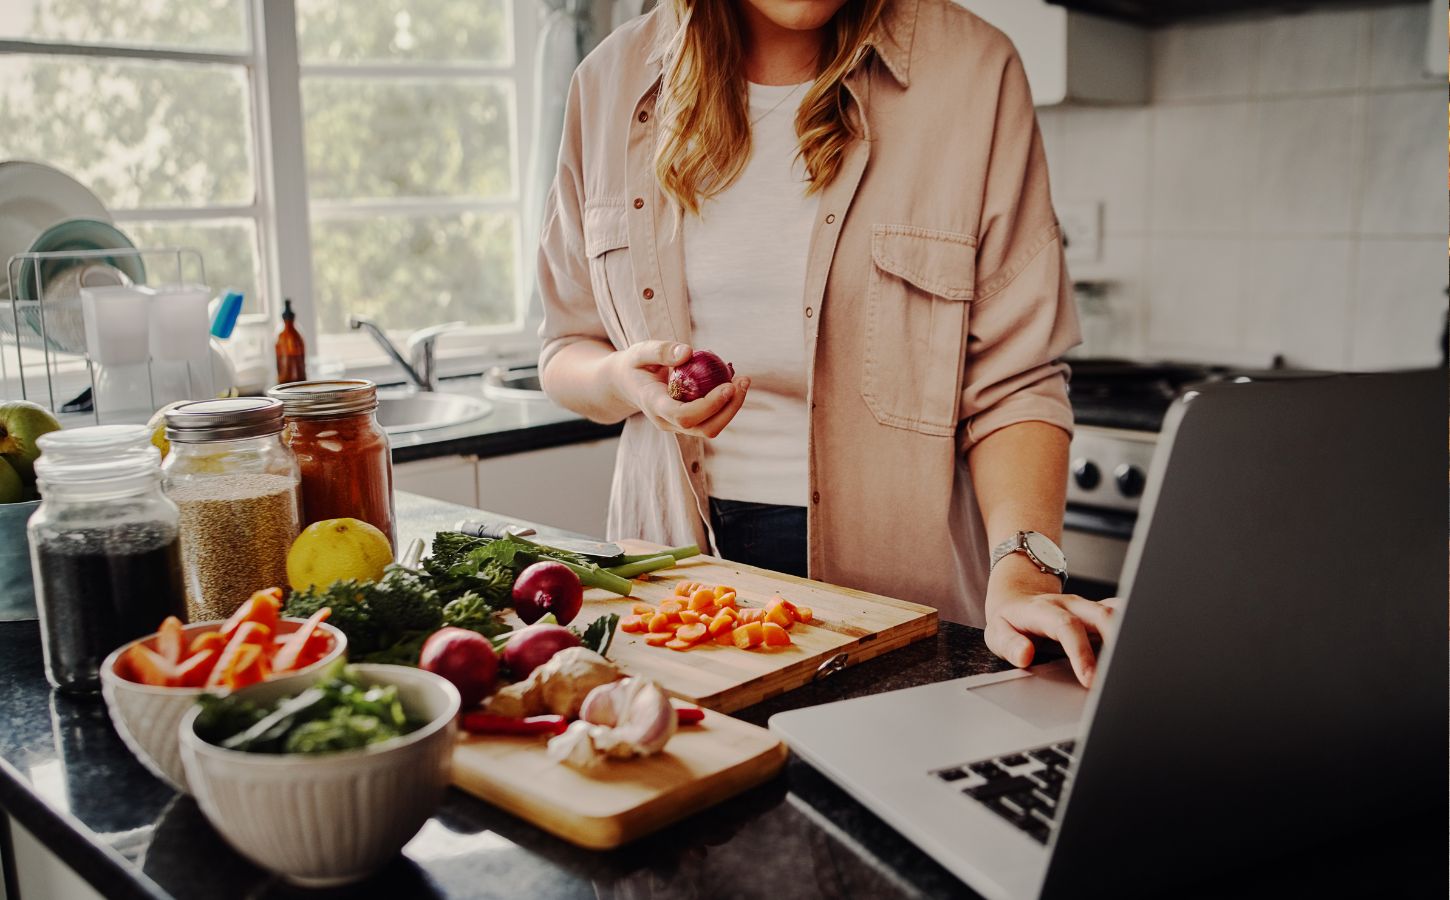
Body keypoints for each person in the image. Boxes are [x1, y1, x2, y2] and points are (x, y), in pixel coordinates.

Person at [536, 0, 1116, 685]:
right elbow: (565, 346)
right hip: (675, 605)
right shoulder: (607, 84)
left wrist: (1024, 574)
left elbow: (1016, 382)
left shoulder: (974, 72)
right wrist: (619, 380)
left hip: (903, 612)